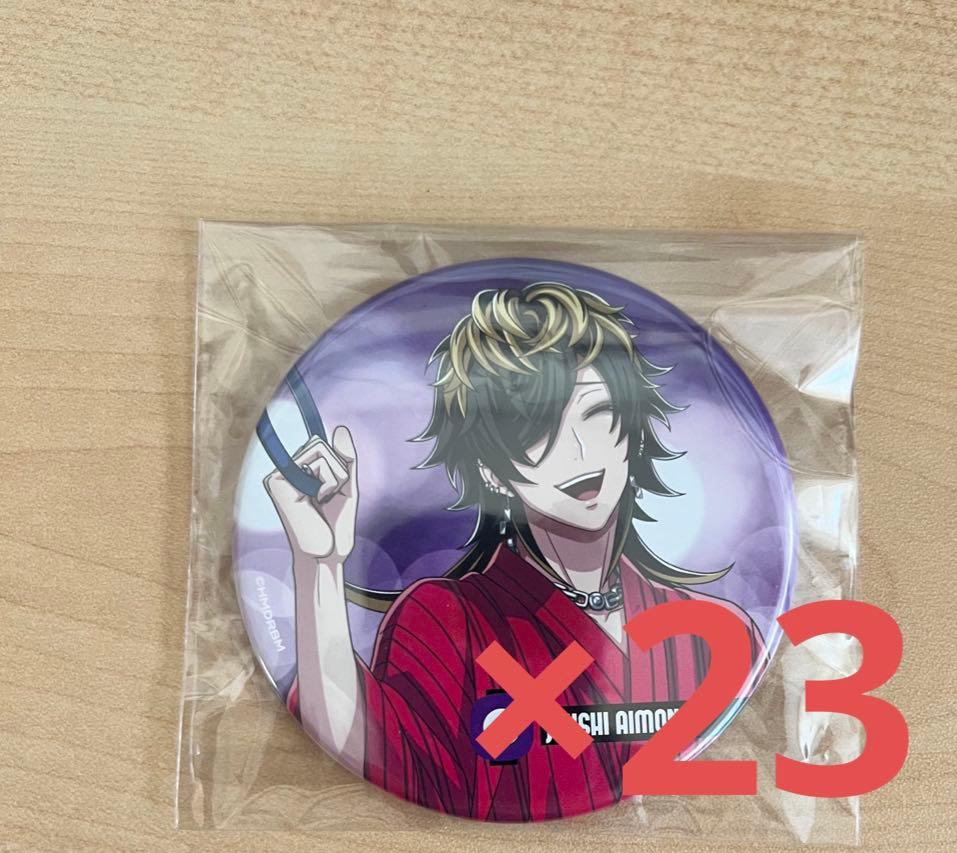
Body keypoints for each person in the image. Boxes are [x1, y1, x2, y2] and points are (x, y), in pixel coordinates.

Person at [266, 282, 764, 821]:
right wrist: (319, 565)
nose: (580, 453)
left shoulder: (719, 638)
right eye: (537, 431)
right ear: (491, 472)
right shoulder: (445, 620)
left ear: (633, 426)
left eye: (598, 414)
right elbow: (365, 746)